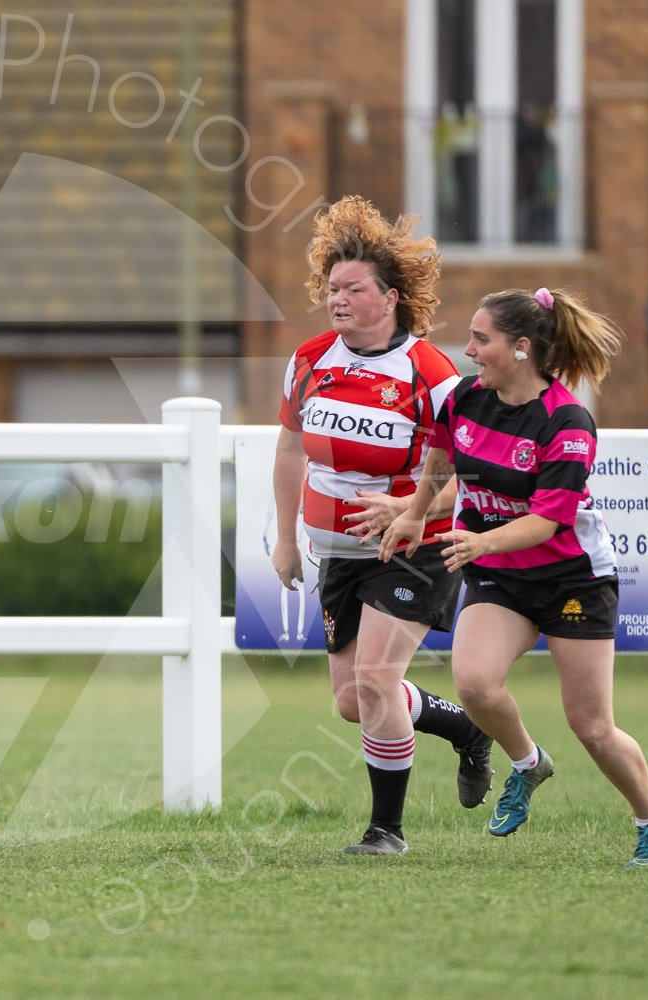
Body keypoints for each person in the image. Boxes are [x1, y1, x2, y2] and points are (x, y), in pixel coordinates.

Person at [380, 287, 648, 868]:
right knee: (474, 684)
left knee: (592, 727)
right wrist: (415, 515)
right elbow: (440, 460)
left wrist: (479, 539)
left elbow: (548, 521)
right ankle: (526, 763)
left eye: (480, 339)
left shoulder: (567, 421)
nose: (468, 351)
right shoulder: (466, 397)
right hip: (500, 575)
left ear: (521, 348)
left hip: (572, 580)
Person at [271, 195, 494, 857]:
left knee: (373, 680)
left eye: (353, 288)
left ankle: (386, 832)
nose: (338, 299)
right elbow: (287, 449)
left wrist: (413, 509)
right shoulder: (309, 360)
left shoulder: (431, 374)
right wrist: (286, 538)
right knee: (352, 700)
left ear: (390, 296)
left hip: (414, 550)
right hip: (339, 553)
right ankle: (463, 729)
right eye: (331, 288)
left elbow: (475, 473)